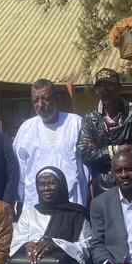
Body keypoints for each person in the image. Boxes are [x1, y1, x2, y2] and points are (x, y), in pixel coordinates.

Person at [14, 79, 88, 210]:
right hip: (35, 203)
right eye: (35, 101)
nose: (40, 105)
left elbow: (86, 165)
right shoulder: (26, 128)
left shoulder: (75, 123)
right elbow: (20, 170)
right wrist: (19, 200)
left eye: (46, 99)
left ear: (56, 99)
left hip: (72, 201)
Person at [79, 67, 132, 197]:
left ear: (119, 87)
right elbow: (86, 155)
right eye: (101, 87)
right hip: (103, 188)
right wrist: (117, 149)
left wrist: (100, 151)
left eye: (110, 85)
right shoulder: (90, 118)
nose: (105, 91)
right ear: (96, 90)